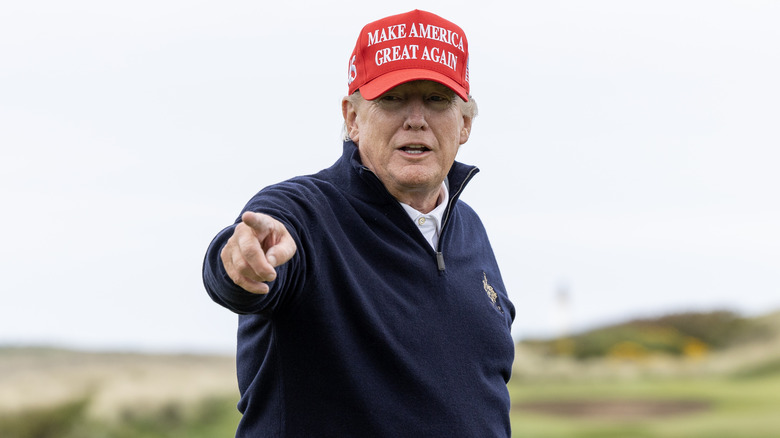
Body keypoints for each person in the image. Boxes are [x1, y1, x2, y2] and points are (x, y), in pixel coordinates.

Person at [203, 9, 515, 437]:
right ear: (351, 118)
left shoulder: (470, 230)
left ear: (464, 124)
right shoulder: (305, 214)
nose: (416, 118)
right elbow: (243, 258)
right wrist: (237, 262)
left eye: (437, 99)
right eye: (392, 98)